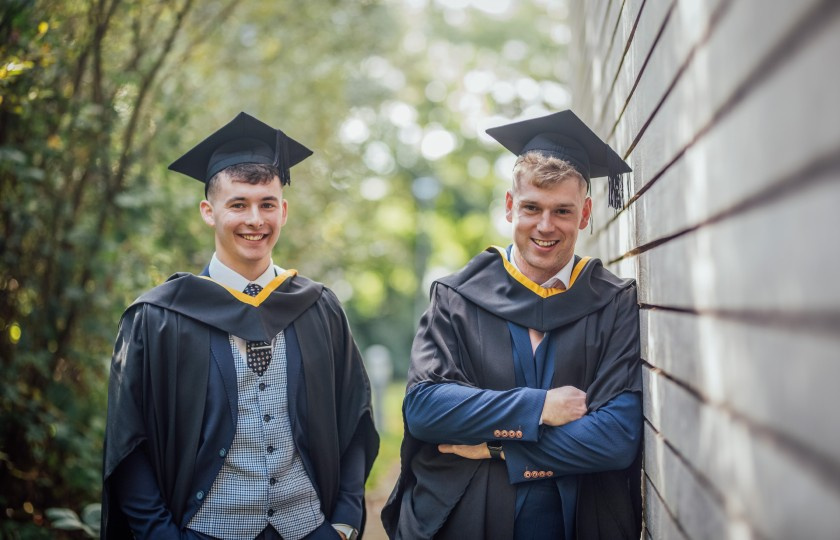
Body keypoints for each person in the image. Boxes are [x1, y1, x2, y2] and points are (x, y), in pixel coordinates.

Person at [102, 112, 379, 540]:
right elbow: (128, 443)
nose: (255, 220)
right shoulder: (158, 319)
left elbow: (355, 419)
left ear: (283, 210)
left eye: (267, 204)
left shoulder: (319, 308)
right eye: (238, 204)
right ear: (208, 212)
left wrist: (343, 522)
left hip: (309, 529)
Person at [381, 110, 643, 539]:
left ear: (586, 213)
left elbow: (616, 437)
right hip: (463, 520)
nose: (545, 226)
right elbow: (425, 409)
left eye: (563, 210)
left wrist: (494, 447)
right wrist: (539, 407)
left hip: (579, 522)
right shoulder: (457, 297)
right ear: (509, 206)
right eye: (531, 208)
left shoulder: (612, 302)